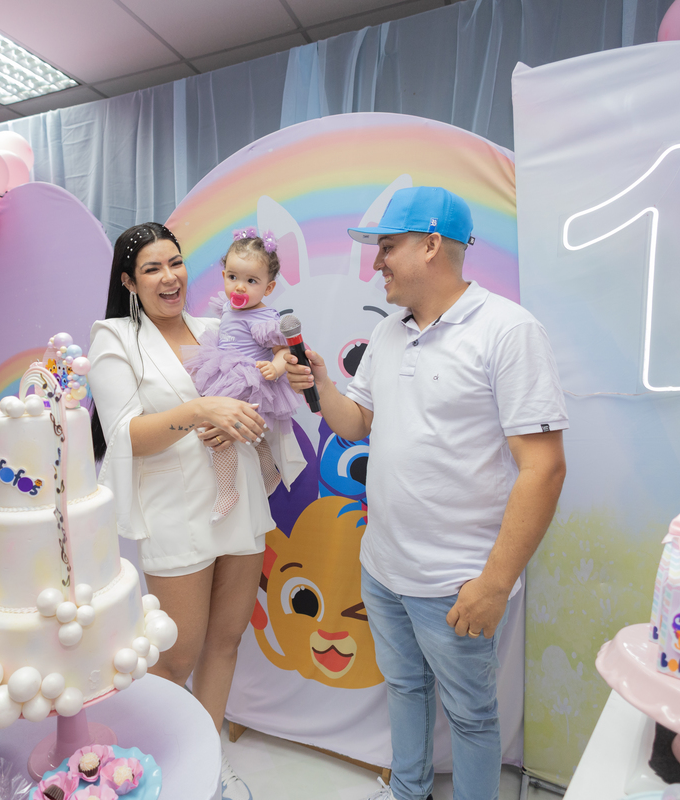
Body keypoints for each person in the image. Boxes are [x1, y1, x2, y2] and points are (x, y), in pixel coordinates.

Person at [285, 187, 568, 800]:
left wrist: (494, 584)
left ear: (433, 245)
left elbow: (543, 469)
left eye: (388, 247)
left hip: (456, 582)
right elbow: (357, 424)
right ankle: (407, 791)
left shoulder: (508, 330)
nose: (377, 262)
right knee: (405, 689)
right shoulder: (388, 332)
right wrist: (323, 384)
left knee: (471, 716)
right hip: (383, 570)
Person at [87, 222, 297, 800]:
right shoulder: (114, 338)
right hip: (175, 514)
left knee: (227, 641)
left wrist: (283, 380)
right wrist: (199, 411)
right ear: (129, 282)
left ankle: (207, 764)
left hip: (240, 502)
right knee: (176, 657)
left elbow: (262, 392)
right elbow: (126, 435)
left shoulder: (217, 327)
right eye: (151, 268)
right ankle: (158, 770)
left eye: (175, 263)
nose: (169, 277)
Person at [182, 228, 303, 522]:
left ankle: (227, 491)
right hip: (225, 371)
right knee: (253, 435)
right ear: (224, 276)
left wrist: (276, 367)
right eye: (233, 277)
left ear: (268, 288)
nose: (239, 287)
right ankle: (269, 473)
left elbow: (284, 351)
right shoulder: (228, 307)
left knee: (220, 431)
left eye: (251, 281)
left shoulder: (264, 318)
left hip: (248, 381)